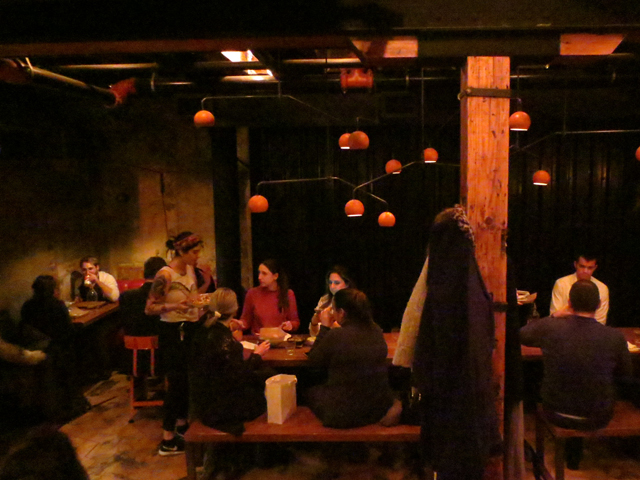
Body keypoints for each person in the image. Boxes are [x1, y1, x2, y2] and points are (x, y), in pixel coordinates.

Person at [520, 279, 632, 470]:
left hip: (555, 412)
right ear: (599, 304)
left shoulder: (551, 328)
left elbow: (522, 334)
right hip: (598, 416)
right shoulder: (614, 337)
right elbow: (626, 373)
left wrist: (555, 315)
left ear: (569, 303)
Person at [145, 232, 208, 456]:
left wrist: (203, 302)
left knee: (185, 382)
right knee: (176, 383)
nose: (197, 256)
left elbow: (192, 298)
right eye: (194, 252)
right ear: (181, 251)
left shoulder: (189, 270)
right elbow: (149, 308)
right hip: (172, 332)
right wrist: (174, 307)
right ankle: (167, 439)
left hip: (189, 328)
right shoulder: (165, 274)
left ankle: (182, 425)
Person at [306, 288, 398, 428]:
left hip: (344, 414)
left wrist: (324, 327)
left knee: (308, 391)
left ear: (342, 313)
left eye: (334, 310)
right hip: (376, 410)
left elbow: (313, 361)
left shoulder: (337, 335)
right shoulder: (376, 331)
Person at [190, 288, 271, 435]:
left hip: (202, 402)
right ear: (235, 309)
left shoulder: (202, 330)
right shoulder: (227, 342)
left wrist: (229, 328)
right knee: (268, 381)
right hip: (222, 410)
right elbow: (238, 377)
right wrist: (257, 355)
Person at [240, 259, 300, 334]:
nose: (259, 277)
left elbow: (295, 322)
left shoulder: (288, 294)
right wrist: (238, 324)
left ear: (275, 276)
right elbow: (246, 320)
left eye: (264, 274)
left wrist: (290, 325)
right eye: (259, 273)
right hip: (259, 338)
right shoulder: (252, 293)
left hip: (280, 338)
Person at [550, 253, 609, 325]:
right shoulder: (561, 284)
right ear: (575, 264)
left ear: (595, 268)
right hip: (564, 329)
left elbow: (600, 321)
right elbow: (554, 316)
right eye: (582, 266)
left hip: (591, 330)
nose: (585, 271)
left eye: (590, 268)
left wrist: (568, 312)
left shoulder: (602, 288)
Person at [120, 257, 167, 337]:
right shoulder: (165, 296)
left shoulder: (126, 296)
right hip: (159, 341)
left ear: (144, 273)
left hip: (132, 342)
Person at [308, 265, 354, 337]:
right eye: (330, 283)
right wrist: (314, 323)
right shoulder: (324, 300)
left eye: (337, 283)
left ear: (347, 284)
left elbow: (354, 334)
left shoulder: (354, 302)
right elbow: (314, 335)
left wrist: (331, 324)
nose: (332, 286)